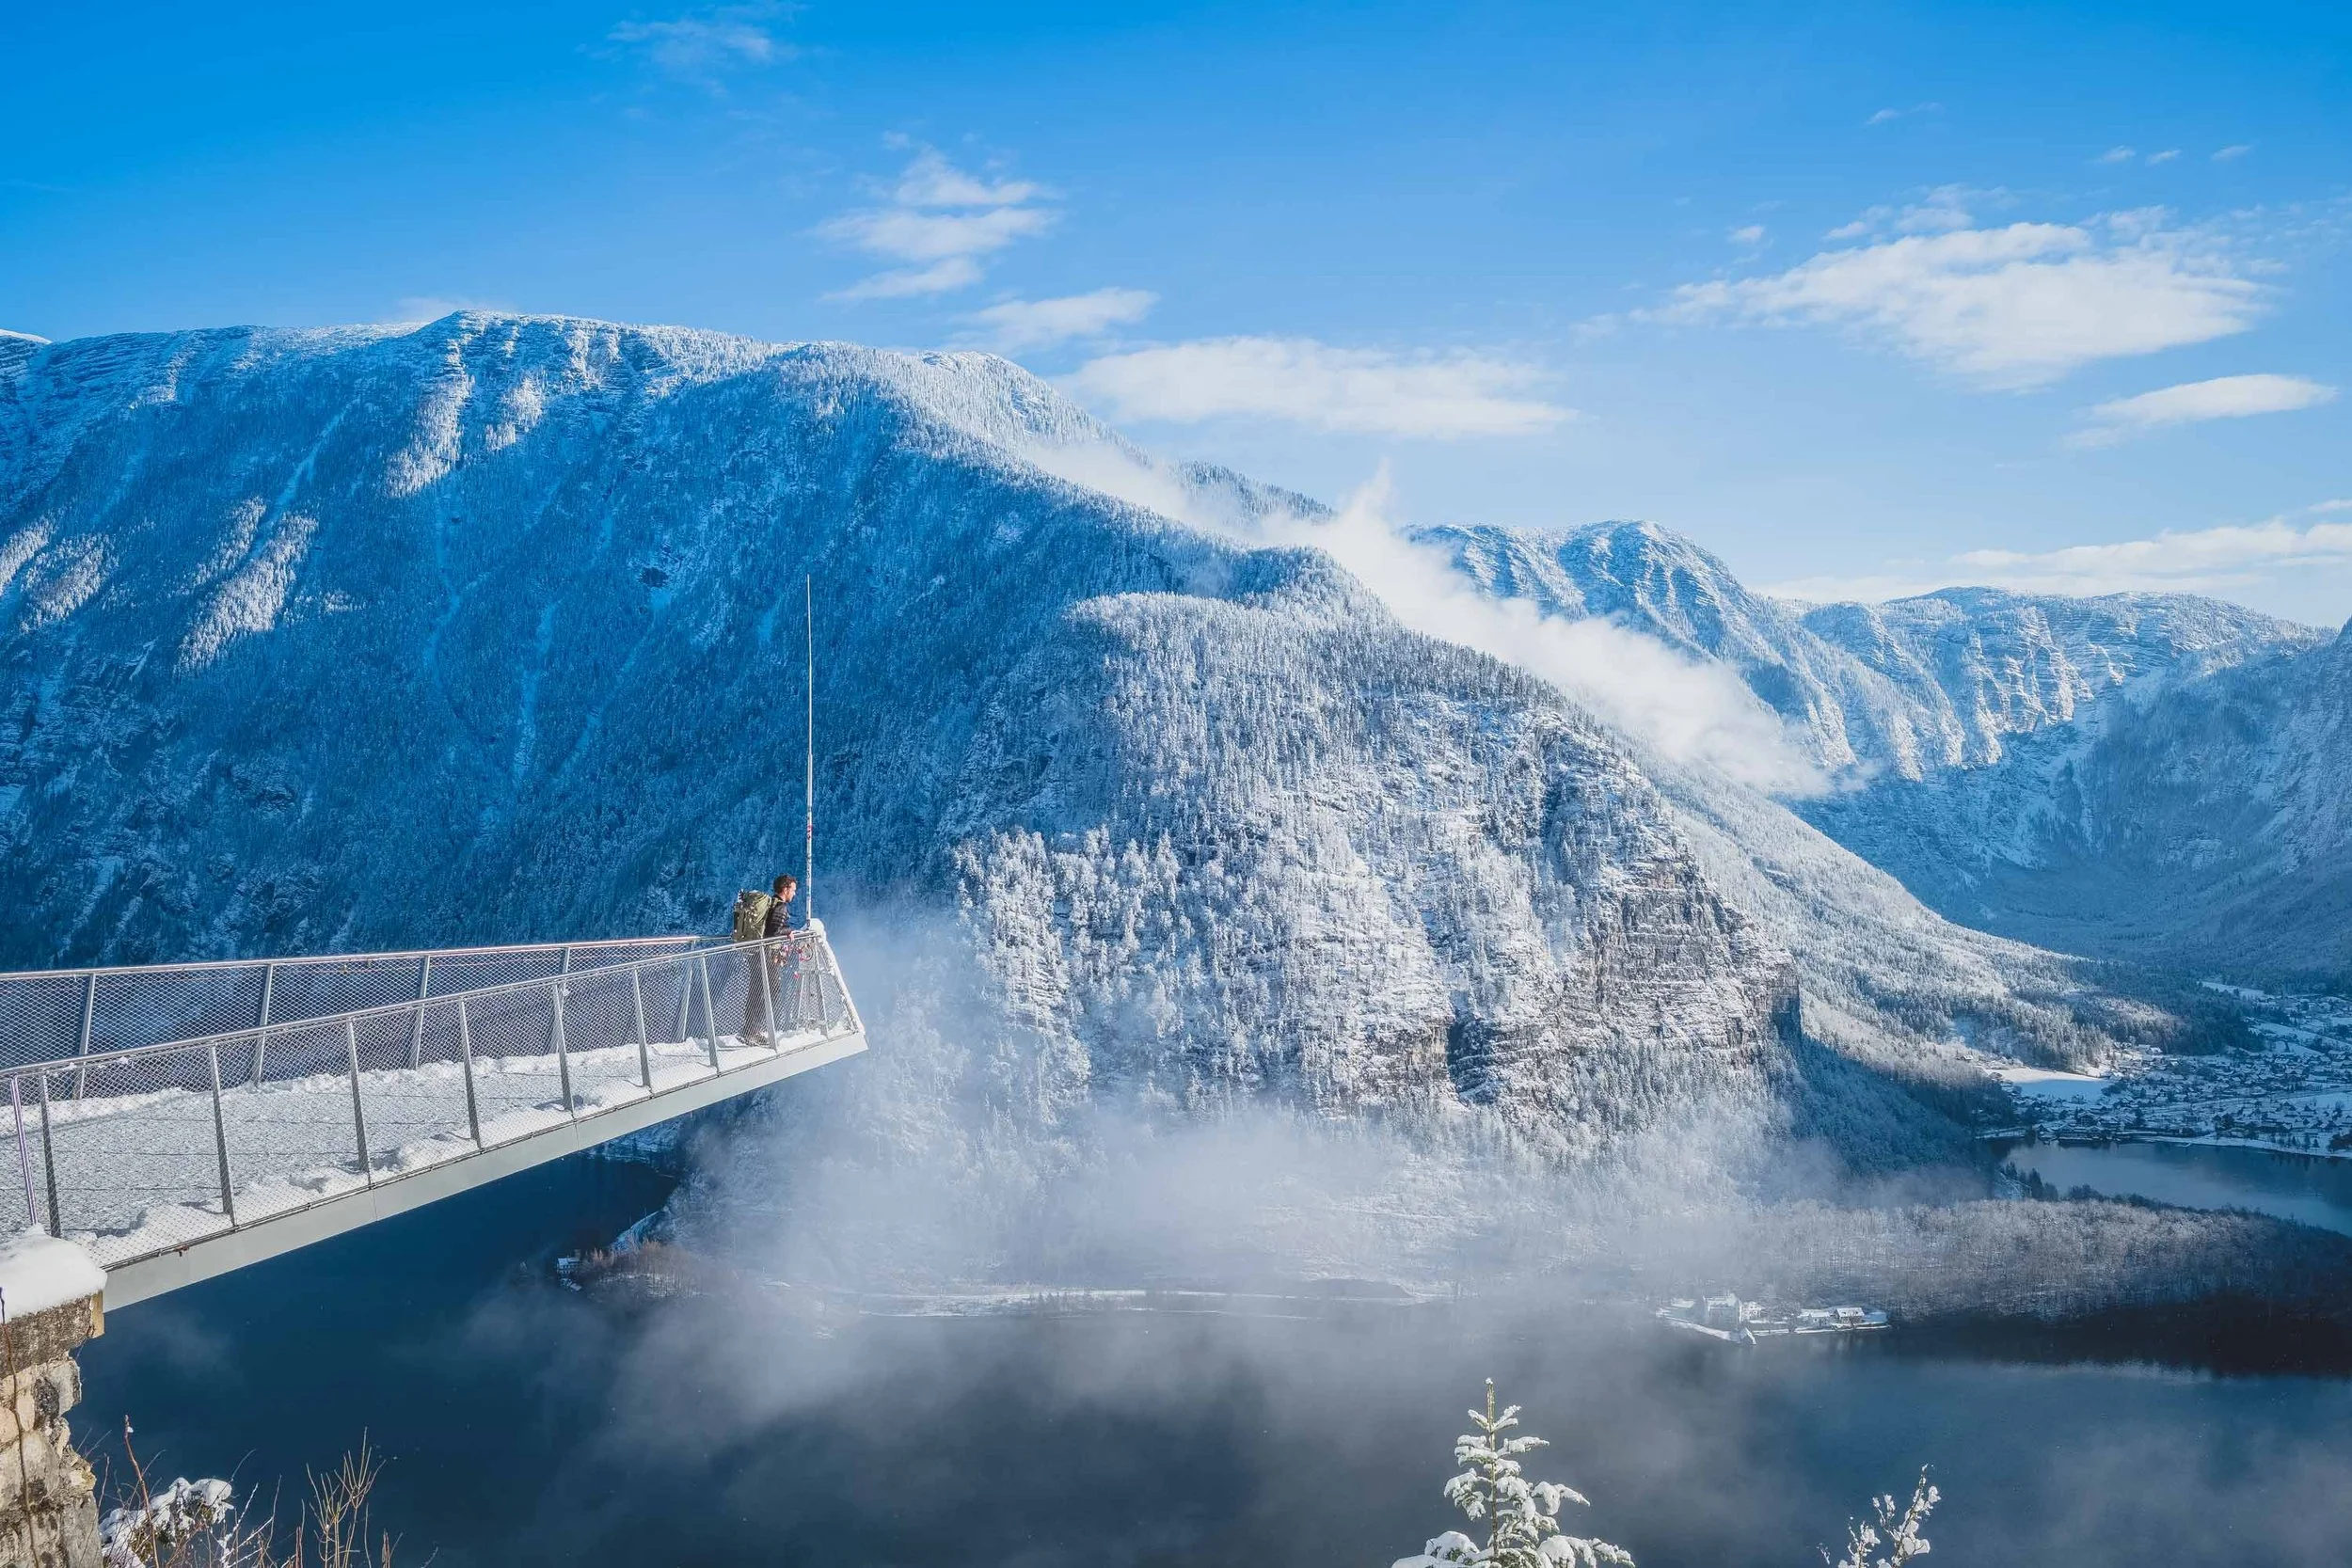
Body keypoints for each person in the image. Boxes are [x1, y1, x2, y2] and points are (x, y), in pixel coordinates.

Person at [732, 873, 798, 1044]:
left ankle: (749, 1029)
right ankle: (751, 1030)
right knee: (771, 990)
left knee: (757, 990)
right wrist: (789, 931)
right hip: (766, 954)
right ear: (785, 889)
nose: (794, 893)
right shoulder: (781, 907)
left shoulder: (771, 904)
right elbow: (773, 932)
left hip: (755, 952)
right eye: (793, 889)